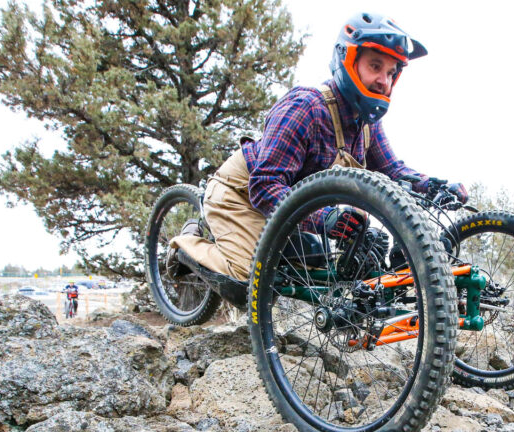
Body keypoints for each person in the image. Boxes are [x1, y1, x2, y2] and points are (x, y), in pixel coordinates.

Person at [169, 12, 467, 294]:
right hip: (241, 195)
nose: (384, 81)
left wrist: (434, 186)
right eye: (375, 66)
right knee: (249, 283)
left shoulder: (366, 123)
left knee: (308, 268)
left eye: (391, 73)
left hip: (285, 210)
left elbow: (394, 171)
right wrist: (325, 219)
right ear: (349, 61)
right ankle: (186, 246)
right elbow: (263, 187)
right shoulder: (306, 108)